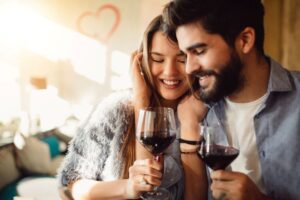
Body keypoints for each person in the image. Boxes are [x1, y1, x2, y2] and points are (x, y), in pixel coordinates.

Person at [162, 0, 300, 199]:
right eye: (185, 55)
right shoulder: (193, 110)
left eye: (199, 51)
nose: (189, 68)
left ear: (245, 40)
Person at [57, 15, 190, 200]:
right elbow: (73, 184)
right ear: (142, 60)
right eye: (158, 60)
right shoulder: (116, 109)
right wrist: (127, 188)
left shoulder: (206, 113)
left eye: (182, 59)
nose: (170, 72)